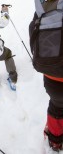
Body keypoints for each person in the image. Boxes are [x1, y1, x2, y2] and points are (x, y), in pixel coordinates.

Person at [29, 15, 63, 151]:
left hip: (52, 77)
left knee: (56, 108)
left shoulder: (45, 4)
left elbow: (33, 30)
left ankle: (55, 141)